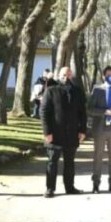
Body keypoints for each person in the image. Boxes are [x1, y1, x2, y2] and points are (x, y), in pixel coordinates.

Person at [40, 66, 87, 198]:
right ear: (59, 76)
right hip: (54, 134)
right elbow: (44, 112)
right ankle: (50, 188)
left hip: (72, 133)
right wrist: (47, 132)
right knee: (52, 162)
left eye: (69, 74)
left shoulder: (77, 91)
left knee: (69, 162)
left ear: (72, 76)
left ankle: (70, 187)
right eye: (64, 75)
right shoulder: (51, 90)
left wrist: (82, 130)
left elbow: (82, 113)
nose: (66, 77)